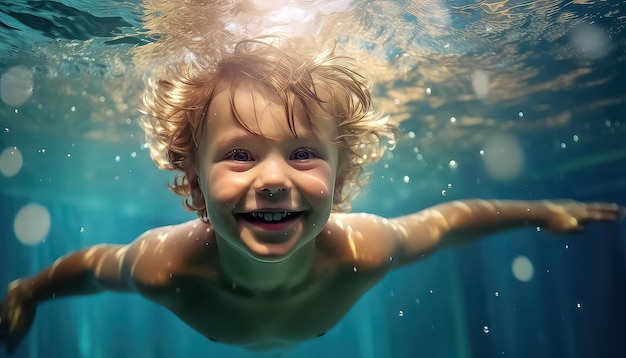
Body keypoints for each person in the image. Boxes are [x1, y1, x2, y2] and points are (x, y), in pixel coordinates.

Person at [0, 36, 622, 353]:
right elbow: (90, 268)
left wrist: (539, 212)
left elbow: (451, 219)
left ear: (341, 180)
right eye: (240, 154)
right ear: (192, 180)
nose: (273, 178)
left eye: (303, 153)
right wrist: (29, 290)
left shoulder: (364, 249)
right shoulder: (165, 267)